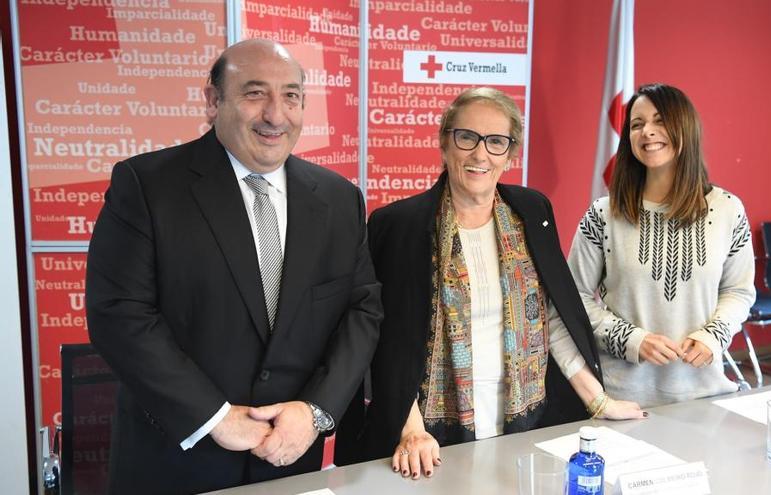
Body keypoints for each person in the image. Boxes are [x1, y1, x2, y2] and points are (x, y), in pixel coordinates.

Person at [85, 39, 382, 494]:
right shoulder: (147, 186)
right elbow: (119, 315)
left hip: (289, 459)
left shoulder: (340, 199)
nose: (275, 115)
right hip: (176, 461)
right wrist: (214, 417)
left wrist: (315, 410)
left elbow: (361, 312)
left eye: (291, 96)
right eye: (254, 93)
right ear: (213, 100)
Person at [357, 87, 644, 480]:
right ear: (445, 143)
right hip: (431, 433)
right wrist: (411, 430)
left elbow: (549, 318)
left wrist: (598, 400)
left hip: (526, 419)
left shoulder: (532, 211)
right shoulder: (397, 225)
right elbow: (386, 339)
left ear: (511, 154)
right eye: (466, 137)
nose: (480, 154)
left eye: (496, 142)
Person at [567, 83, 756, 408]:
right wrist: (630, 340)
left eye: (659, 121)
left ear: (686, 128)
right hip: (621, 400)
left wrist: (714, 335)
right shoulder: (603, 214)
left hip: (705, 395)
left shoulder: (728, 209)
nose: (647, 132)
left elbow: (739, 291)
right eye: (637, 124)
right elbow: (574, 299)